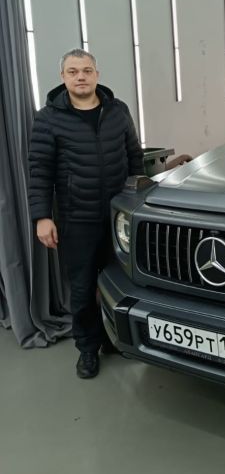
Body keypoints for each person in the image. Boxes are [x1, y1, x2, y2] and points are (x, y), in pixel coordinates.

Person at [28, 49, 144, 379]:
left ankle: (112, 337)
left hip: (119, 216)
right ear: (63, 77)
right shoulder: (48, 119)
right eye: (73, 71)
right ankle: (88, 349)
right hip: (76, 218)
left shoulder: (118, 111)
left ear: (96, 74)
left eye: (87, 70)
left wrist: (138, 204)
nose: (81, 76)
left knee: (120, 282)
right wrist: (42, 217)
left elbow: (134, 158)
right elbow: (39, 171)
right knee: (82, 289)